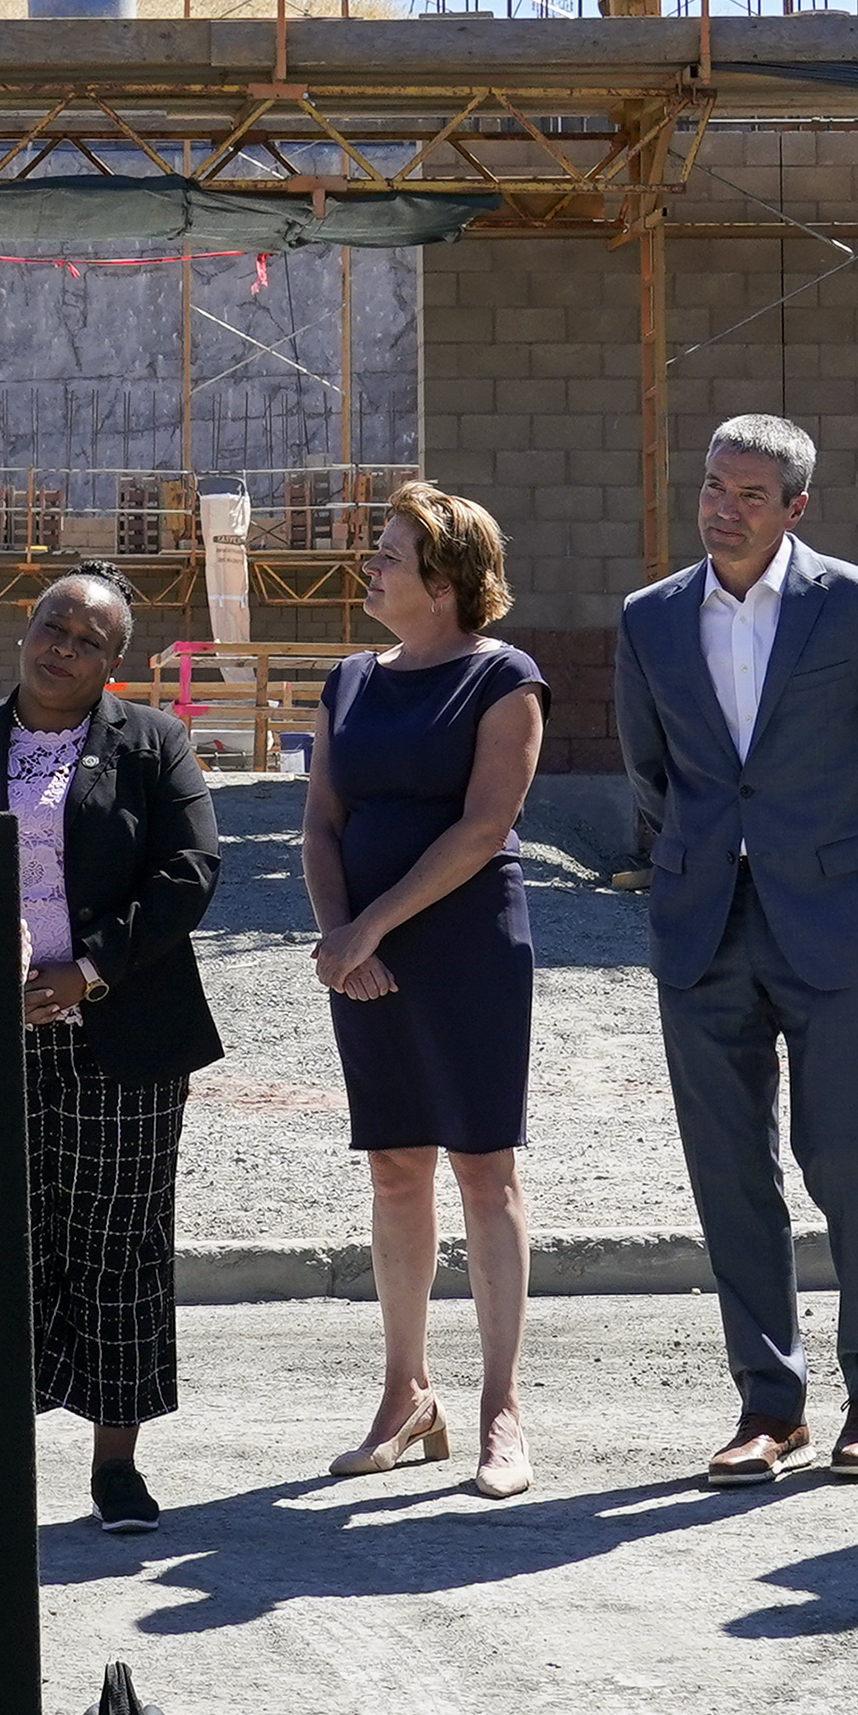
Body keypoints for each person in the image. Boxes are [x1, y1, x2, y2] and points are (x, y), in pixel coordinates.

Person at [613, 414, 858, 1487]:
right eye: (712, 485)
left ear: (795, 507)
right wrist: (695, 863)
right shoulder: (649, 618)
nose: (722, 507)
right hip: (702, 925)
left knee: (844, 1159)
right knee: (728, 1174)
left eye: (749, 494)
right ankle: (768, 1405)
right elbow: (650, 774)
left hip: (833, 922)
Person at [304, 481, 550, 1502]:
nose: (371, 564)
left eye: (390, 552)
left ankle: (499, 1411)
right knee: (393, 1171)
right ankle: (405, 1393)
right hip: (360, 958)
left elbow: (483, 827)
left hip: (463, 950)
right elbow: (319, 821)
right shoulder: (349, 680)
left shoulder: (504, 679)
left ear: (445, 582)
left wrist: (369, 925)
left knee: (480, 1172)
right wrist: (337, 936)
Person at [0, 568, 225, 1536]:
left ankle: (115, 1466)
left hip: (122, 1034)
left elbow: (191, 867)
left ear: (113, 663)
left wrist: (90, 970)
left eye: (86, 638)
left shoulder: (151, 743)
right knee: (0, 1246)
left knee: (116, 1246)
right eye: (50, 624)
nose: (60, 646)